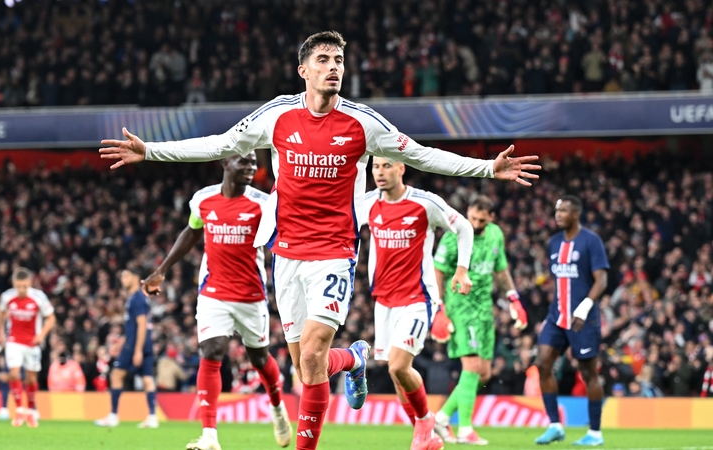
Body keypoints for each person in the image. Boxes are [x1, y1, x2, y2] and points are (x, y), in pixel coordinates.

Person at [99, 31, 540, 450]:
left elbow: (422, 155)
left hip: (333, 255)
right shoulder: (277, 115)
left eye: (339, 61)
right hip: (286, 255)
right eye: (324, 61)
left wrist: (485, 168)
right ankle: (353, 359)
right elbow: (220, 144)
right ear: (303, 70)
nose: (334, 68)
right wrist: (151, 150)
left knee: (311, 352)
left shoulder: (363, 123)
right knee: (305, 369)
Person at [142, 151, 293, 450]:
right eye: (243, 161)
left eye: (253, 162)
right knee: (211, 350)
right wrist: (161, 271)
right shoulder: (202, 200)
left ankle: (277, 408)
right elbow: (191, 232)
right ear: (225, 163)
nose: (251, 167)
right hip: (214, 292)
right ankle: (209, 435)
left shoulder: (263, 205)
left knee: (259, 359)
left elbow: (283, 239)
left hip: (251, 296)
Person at [360, 157, 474, 450]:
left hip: (417, 298)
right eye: (376, 167)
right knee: (396, 376)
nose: (380, 172)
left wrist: (462, 269)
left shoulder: (425, 203)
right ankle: (426, 437)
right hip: (383, 301)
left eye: (387, 166)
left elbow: (464, 228)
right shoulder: (367, 203)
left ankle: (425, 421)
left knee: (399, 366)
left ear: (401, 168)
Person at [432, 195, 528, 445]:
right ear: (468, 212)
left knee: (484, 373)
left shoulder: (496, 234)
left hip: (485, 308)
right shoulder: (454, 234)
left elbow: (501, 269)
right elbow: (438, 271)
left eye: (481, 220)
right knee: (472, 367)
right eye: (472, 217)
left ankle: (441, 418)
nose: (474, 224)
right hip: (460, 306)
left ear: (491, 218)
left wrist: (513, 297)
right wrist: (438, 308)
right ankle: (465, 429)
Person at [534, 196, 609, 446]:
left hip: (582, 320)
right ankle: (555, 425)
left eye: (564, 210)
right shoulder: (553, 243)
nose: (558, 214)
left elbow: (601, 280)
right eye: (556, 210)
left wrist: (585, 306)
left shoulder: (591, 241)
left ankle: (595, 433)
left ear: (576, 214)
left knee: (588, 373)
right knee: (543, 363)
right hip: (556, 316)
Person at [95, 266, 158, 429]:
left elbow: (141, 325)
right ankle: (152, 417)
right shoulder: (138, 298)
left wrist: (136, 350)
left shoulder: (136, 298)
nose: (123, 280)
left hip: (135, 345)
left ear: (136, 278)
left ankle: (114, 416)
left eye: (126, 276)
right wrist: (120, 343)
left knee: (116, 375)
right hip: (143, 343)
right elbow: (133, 327)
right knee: (147, 378)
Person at [0, 267, 56, 428]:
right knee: (14, 373)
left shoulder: (38, 297)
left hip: (32, 342)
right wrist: (1, 333)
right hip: (13, 341)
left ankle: (30, 410)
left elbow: (51, 318)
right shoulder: (7, 297)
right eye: (18, 286)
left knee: (31, 378)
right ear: (14, 284)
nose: (21, 290)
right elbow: (1, 313)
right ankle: (19, 410)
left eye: (24, 286)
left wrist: (41, 336)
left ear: (29, 283)